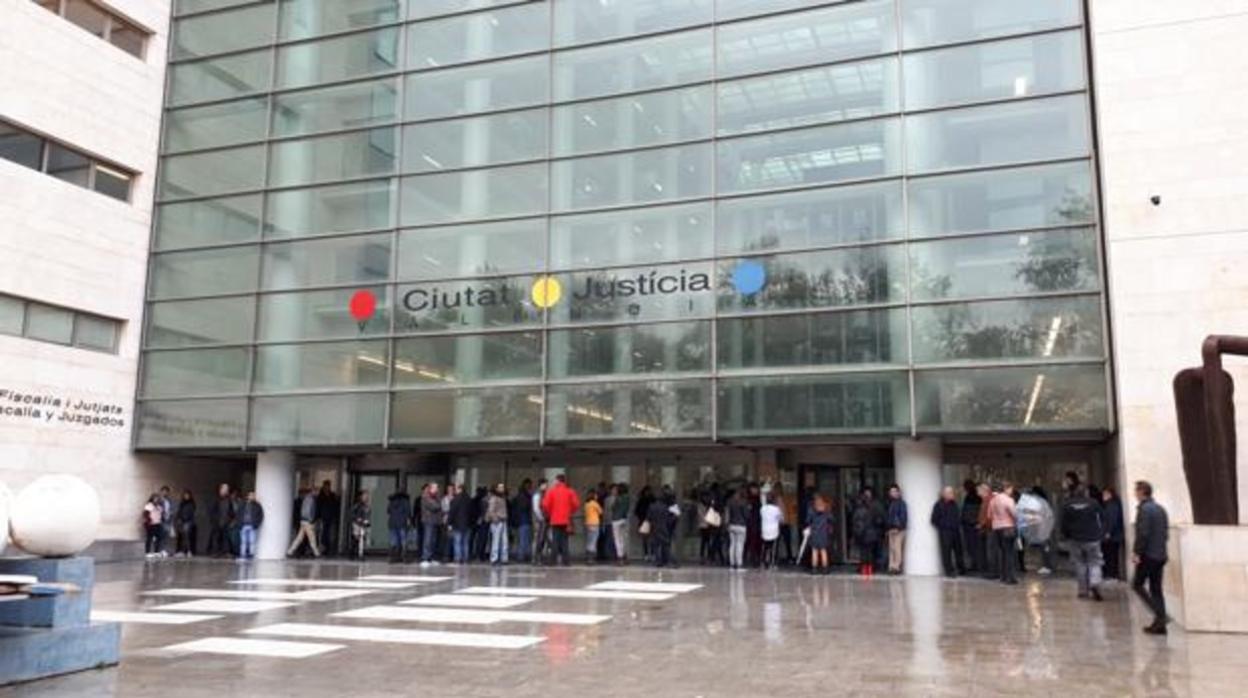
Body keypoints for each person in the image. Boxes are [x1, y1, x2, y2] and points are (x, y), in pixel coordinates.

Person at [1132, 480, 1170, 635]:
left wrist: (1137, 553)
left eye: (1136, 491)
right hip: (1160, 554)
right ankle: (1159, 625)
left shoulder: (1144, 510)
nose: (1134, 494)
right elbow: (1165, 533)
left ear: (1142, 492)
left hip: (1149, 555)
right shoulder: (1160, 509)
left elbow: (1143, 534)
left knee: (1137, 584)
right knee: (1156, 588)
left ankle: (1161, 617)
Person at [1061, 484, 1105, 601]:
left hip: (1075, 538)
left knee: (1079, 563)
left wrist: (1066, 535)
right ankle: (1095, 582)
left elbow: (1064, 523)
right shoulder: (1094, 503)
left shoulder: (1068, 505)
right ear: (1086, 493)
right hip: (1093, 538)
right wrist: (1102, 533)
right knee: (1095, 562)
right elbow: (1102, 517)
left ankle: (1082, 590)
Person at [541, 474, 581, 566]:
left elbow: (545, 505)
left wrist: (550, 513)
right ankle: (566, 561)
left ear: (558, 481)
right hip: (566, 520)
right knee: (564, 541)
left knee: (555, 540)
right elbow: (576, 504)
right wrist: (570, 512)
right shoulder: (570, 491)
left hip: (555, 519)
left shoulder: (551, 491)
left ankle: (552, 561)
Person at [988, 483, 1019, 585]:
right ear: (1006, 489)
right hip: (1008, 528)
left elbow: (989, 515)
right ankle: (1010, 578)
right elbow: (1014, 514)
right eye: (1011, 489)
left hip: (996, 529)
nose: (1011, 492)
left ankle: (1003, 576)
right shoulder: (1008, 500)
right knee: (1009, 553)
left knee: (1002, 552)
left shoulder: (992, 500)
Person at [931, 486, 964, 578]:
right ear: (944, 494)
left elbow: (957, 516)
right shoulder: (938, 505)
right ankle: (949, 571)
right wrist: (943, 526)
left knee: (958, 550)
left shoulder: (954, 504)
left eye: (952, 492)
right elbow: (934, 519)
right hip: (945, 532)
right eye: (949, 493)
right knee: (946, 552)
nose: (952, 494)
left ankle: (961, 569)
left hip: (956, 531)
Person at [851, 488, 885, 576]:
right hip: (872, 534)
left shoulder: (859, 511)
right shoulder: (874, 508)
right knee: (870, 553)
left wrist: (857, 534)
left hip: (863, 535)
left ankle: (864, 570)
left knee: (864, 553)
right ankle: (870, 570)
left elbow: (857, 524)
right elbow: (879, 520)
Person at [287, 487, 321, 558]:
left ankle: (290, 551)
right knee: (312, 538)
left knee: (299, 538)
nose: (318, 493)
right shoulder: (310, 499)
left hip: (303, 521)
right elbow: (307, 511)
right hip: (308, 521)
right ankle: (316, 553)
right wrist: (311, 520)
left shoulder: (306, 499)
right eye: (317, 491)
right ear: (313, 491)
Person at [1102, 487, 1126, 580]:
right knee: (1111, 556)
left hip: (1112, 536)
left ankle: (1111, 574)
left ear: (1110, 495)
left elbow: (1112, 520)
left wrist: (1108, 532)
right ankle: (1111, 574)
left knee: (1111, 556)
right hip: (1114, 536)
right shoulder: (1111, 505)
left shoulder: (1112, 506)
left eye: (1105, 494)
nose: (1103, 496)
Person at [647, 491, 676, 568]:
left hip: (654, 528)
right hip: (663, 528)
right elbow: (670, 518)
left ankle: (658, 561)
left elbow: (648, 517)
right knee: (665, 545)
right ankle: (668, 561)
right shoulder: (665, 507)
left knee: (656, 545)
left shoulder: (651, 506)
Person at [808, 494, 833, 575]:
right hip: (823, 533)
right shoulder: (826, 510)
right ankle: (825, 569)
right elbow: (831, 519)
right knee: (823, 551)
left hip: (814, 533)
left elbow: (808, 520)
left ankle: (814, 569)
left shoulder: (811, 510)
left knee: (814, 551)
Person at [960, 480, 981, 573]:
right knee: (973, 546)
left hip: (971, 525)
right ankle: (975, 564)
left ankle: (975, 564)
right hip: (971, 524)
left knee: (972, 546)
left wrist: (966, 520)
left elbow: (970, 512)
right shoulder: (973, 496)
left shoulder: (972, 497)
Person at [886, 484, 908, 575]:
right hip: (891, 529)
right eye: (891, 492)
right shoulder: (890, 503)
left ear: (899, 492)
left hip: (898, 529)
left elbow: (903, 517)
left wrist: (898, 527)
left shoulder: (901, 503)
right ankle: (891, 566)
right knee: (891, 549)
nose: (893, 493)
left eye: (895, 491)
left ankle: (896, 567)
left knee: (897, 548)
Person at [206, 483, 234, 557]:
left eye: (227, 489)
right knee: (216, 537)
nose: (226, 491)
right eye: (225, 489)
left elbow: (231, 512)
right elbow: (211, 511)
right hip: (217, 522)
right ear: (221, 489)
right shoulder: (215, 499)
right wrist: (214, 521)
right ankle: (216, 552)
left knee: (226, 538)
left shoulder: (229, 500)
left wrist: (230, 520)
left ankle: (226, 552)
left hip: (225, 522)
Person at [448, 484, 473, 564]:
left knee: (457, 542)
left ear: (459, 489)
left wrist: (449, 523)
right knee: (465, 542)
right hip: (468, 524)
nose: (455, 490)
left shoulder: (455, 499)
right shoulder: (469, 499)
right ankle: (465, 558)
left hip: (457, 524)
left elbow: (452, 512)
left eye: (456, 489)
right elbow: (473, 513)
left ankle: (458, 558)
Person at [386, 488, 413, 564]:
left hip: (392, 523)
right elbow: (408, 513)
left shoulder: (391, 501)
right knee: (404, 540)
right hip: (402, 523)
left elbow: (388, 511)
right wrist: (409, 522)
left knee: (393, 541)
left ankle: (392, 557)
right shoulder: (405, 501)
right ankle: (405, 557)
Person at [419, 483, 442, 567]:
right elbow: (435, 506)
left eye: (437, 487)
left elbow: (439, 505)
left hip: (435, 521)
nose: (437, 489)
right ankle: (425, 558)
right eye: (435, 488)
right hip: (428, 521)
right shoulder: (426, 496)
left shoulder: (436, 497)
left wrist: (438, 501)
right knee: (427, 540)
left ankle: (431, 558)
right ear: (430, 488)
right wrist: (438, 503)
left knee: (433, 540)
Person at [485, 483, 509, 566]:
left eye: (503, 487)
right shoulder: (494, 498)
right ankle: (494, 559)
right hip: (498, 521)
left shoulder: (502, 498)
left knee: (504, 541)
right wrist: (496, 520)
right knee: (496, 540)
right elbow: (491, 511)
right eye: (500, 487)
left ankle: (503, 558)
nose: (502, 488)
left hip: (503, 521)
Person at [726, 487, 749, 572]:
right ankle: (739, 564)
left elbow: (727, 513)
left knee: (732, 545)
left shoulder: (730, 502)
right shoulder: (743, 502)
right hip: (741, 525)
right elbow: (747, 515)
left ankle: (732, 565)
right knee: (740, 545)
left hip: (731, 525)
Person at [316, 480, 340, 557]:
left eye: (328, 486)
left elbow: (335, 506)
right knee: (323, 533)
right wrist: (318, 517)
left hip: (331, 517)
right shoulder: (321, 495)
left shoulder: (332, 495)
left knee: (329, 533)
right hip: (323, 517)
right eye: (326, 486)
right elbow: (318, 506)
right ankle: (323, 548)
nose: (327, 488)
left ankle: (328, 549)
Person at [237, 491, 264, 560]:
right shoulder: (242, 505)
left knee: (252, 541)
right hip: (243, 525)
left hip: (252, 525)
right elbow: (238, 514)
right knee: (243, 541)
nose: (253, 497)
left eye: (254, 495)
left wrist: (256, 524)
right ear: (248, 496)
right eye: (251, 495)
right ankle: (243, 555)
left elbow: (261, 516)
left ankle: (251, 555)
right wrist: (239, 523)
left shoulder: (257, 506)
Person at [976, 483, 995, 579]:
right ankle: (990, 570)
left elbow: (989, 515)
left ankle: (993, 572)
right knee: (989, 550)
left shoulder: (989, 500)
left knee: (990, 551)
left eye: (979, 490)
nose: (977, 492)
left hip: (989, 528)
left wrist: (981, 524)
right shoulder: (986, 500)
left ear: (984, 491)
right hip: (987, 528)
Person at [512, 479, 534, 563]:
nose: (531, 487)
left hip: (521, 521)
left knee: (523, 539)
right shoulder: (525, 497)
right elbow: (524, 509)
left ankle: (522, 556)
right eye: (530, 485)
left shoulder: (519, 496)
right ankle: (522, 557)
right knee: (524, 539)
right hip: (524, 520)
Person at [760, 493, 783, 570]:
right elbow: (781, 519)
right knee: (773, 548)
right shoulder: (776, 509)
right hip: (774, 531)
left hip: (764, 530)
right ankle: (772, 564)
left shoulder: (762, 509)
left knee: (765, 547)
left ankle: (763, 562)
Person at [610, 483, 631, 564]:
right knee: (624, 539)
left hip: (616, 520)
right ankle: (625, 556)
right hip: (624, 519)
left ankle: (620, 558)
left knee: (617, 540)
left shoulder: (617, 498)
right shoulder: (628, 498)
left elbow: (613, 507)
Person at [635, 485, 654, 562]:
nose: (648, 493)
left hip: (650, 521)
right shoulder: (641, 500)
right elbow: (636, 511)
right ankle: (646, 554)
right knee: (645, 539)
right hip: (644, 521)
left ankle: (652, 554)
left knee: (651, 538)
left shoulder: (652, 499)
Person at [532, 479, 549, 565]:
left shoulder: (544, 494)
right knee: (537, 539)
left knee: (542, 539)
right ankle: (535, 558)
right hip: (539, 521)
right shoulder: (537, 495)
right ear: (541, 485)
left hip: (543, 520)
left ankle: (539, 557)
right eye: (545, 485)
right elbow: (536, 508)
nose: (546, 486)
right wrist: (541, 518)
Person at [175, 489, 197, 557]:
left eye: (187, 495)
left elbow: (191, 514)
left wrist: (185, 519)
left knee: (187, 537)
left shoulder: (191, 504)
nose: (186, 496)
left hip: (188, 522)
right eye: (185, 495)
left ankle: (188, 550)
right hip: (182, 522)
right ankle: (182, 551)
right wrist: (178, 519)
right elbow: (179, 512)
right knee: (181, 536)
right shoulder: (182, 504)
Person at [350, 490, 371, 560]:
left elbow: (368, 515)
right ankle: (353, 553)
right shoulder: (358, 505)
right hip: (357, 524)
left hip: (363, 524)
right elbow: (352, 514)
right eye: (365, 496)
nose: (366, 497)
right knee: (356, 538)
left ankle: (360, 554)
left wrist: (367, 521)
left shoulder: (366, 506)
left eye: (367, 496)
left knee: (362, 539)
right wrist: (357, 519)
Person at [584, 489, 603, 564]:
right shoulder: (595, 503)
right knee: (594, 540)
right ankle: (591, 558)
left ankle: (588, 556)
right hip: (595, 523)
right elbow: (601, 512)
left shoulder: (586, 504)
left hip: (588, 523)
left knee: (589, 540)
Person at [143, 494, 164, 558]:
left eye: (157, 498)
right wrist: (149, 520)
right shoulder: (149, 505)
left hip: (158, 523)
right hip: (151, 524)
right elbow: (145, 514)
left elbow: (161, 514)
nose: (156, 500)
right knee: (149, 538)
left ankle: (156, 552)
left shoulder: (159, 506)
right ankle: (147, 552)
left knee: (159, 538)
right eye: (154, 498)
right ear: (152, 499)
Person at [158, 486, 175, 555]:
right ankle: (160, 550)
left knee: (166, 536)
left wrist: (171, 513)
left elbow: (172, 509)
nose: (165, 493)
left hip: (168, 520)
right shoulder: (159, 500)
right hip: (161, 520)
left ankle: (164, 550)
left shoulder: (170, 501)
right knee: (161, 535)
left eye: (166, 491)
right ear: (161, 492)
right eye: (163, 491)